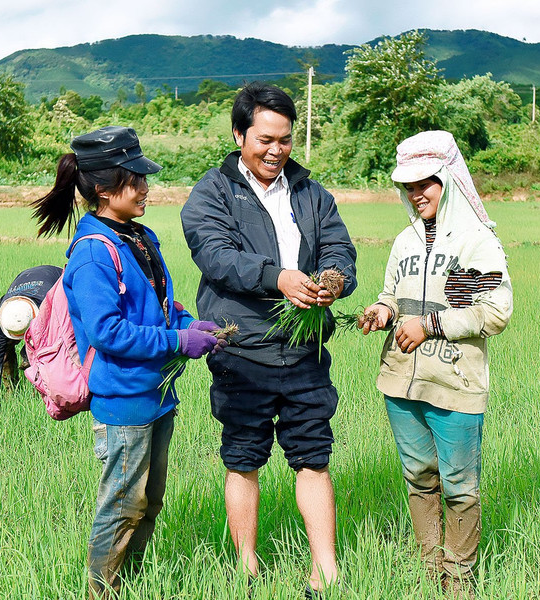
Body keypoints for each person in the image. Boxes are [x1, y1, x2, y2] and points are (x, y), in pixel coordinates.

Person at [31, 125, 225, 598]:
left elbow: (155, 304)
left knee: (148, 502)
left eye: (143, 178)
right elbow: (107, 332)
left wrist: (186, 322)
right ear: (103, 189)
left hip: (157, 396)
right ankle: (102, 591)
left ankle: (131, 585)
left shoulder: (138, 236)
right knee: (121, 505)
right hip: (123, 401)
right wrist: (179, 342)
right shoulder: (94, 253)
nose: (144, 188)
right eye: (134, 179)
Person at [181, 82, 356, 596]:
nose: (276, 150)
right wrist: (277, 277)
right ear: (239, 135)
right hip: (242, 351)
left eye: (284, 139)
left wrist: (334, 281)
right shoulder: (212, 193)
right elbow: (216, 255)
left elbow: (339, 248)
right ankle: (247, 567)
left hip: (304, 350)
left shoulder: (310, 192)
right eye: (264, 139)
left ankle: (326, 569)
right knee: (242, 456)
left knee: (313, 455)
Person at [357, 130, 513, 596]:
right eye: (409, 185)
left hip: (455, 382)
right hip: (400, 384)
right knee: (419, 477)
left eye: (426, 182)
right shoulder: (404, 242)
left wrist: (431, 325)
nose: (417, 193)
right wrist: (382, 312)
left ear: (446, 179)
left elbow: (494, 312)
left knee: (460, 486)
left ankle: (458, 581)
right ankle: (430, 570)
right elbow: (391, 296)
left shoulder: (475, 242)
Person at [0, 264, 62, 388]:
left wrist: (28, 353)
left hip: (56, 278)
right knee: (3, 347)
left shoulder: (49, 308)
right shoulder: (5, 314)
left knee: (46, 351)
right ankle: (10, 388)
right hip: (25, 277)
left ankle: (42, 392)